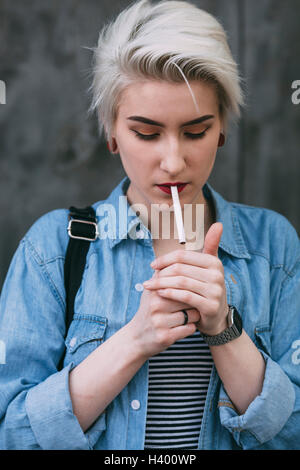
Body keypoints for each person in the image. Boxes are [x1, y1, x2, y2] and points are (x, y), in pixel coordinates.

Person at [0, 0, 299, 451]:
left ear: (221, 129)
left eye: (196, 131)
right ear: (112, 133)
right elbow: (11, 433)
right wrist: (136, 340)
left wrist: (223, 327)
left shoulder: (274, 246)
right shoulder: (53, 248)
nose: (174, 161)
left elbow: (293, 431)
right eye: (147, 133)